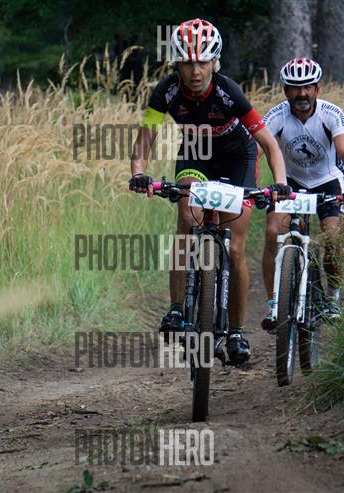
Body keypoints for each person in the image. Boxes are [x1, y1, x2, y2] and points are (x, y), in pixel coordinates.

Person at [128, 18, 290, 365]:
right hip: (195, 156)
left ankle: (236, 331)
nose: (195, 71)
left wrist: (279, 183)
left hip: (237, 158)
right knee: (187, 219)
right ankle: (176, 309)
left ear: (214, 62)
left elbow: (269, 144)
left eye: (202, 62)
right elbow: (144, 141)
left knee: (235, 247)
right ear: (177, 63)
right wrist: (138, 174)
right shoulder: (167, 91)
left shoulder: (228, 90)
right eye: (187, 63)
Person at [260, 58, 344, 322]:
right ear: (286, 90)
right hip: (291, 183)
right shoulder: (276, 115)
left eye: (307, 87)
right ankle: (274, 303)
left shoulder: (331, 113)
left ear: (317, 88)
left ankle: (332, 296)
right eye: (295, 88)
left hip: (327, 181)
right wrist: (250, 185)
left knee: (332, 237)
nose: (302, 93)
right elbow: (255, 152)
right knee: (273, 232)